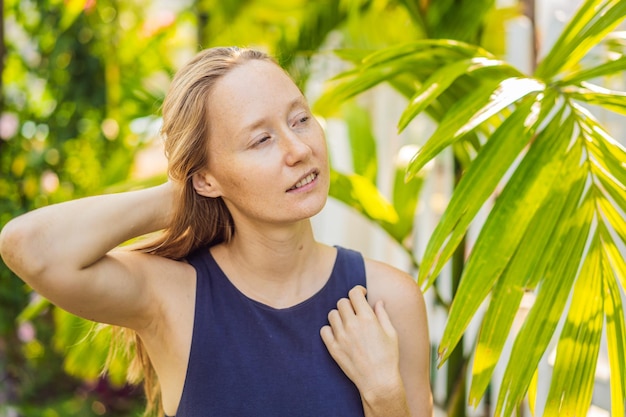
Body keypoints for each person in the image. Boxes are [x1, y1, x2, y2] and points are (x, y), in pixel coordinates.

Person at [0, 46, 432, 417]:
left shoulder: (386, 301)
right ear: (206, 177)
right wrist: (186, 190)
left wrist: (384, 395)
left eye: (300, 119)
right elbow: (28, 247)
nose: (300, 149)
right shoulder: (174, 298)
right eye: (261, 140)